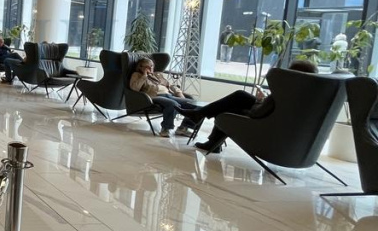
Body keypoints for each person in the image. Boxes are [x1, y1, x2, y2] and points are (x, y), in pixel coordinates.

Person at [181, 59, 318, 154]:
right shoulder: (309, 94)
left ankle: (204, 126)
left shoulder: (283, 92)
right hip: (280, 126)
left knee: (228, 109)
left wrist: (261, 101)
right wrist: (264, 101)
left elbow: (255, 114)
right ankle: (200, 115)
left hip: (264, 124)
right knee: (241, 95)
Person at [128, 57, 196, 138]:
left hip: (169, 95)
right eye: (147, 66)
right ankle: (165, 129)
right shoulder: (137, 75)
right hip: (154, 96)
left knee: (193, 104)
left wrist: (179, 93)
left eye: (152, 66)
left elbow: (170, 85)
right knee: (173, 104)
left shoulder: (158, 75)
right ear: (140, 67)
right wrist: (144, 75)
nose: (150, 68)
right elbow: (134, 88)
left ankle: (184, 128)